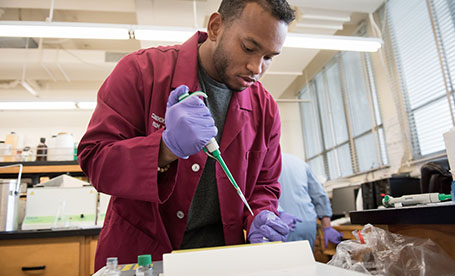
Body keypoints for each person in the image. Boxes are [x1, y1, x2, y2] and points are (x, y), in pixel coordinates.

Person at [77, 0, 296, 271]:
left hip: (219, 262)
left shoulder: (266, 110)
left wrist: (261, 216)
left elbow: (264, 186)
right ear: (216, 27)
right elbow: (95, 160)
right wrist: (164, 149)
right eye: (249, 48)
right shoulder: (142, 71)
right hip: (139, 258)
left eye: (269, 57)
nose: (256, 67)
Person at [278, 153, 343, 249]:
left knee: (283, 262)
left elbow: (259, 196)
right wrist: (327, 227)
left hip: (282, 225)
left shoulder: (262, 163)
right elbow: (319, 195)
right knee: (307, 261)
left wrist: (279, 213)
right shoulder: (299, 163)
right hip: (308, 225)